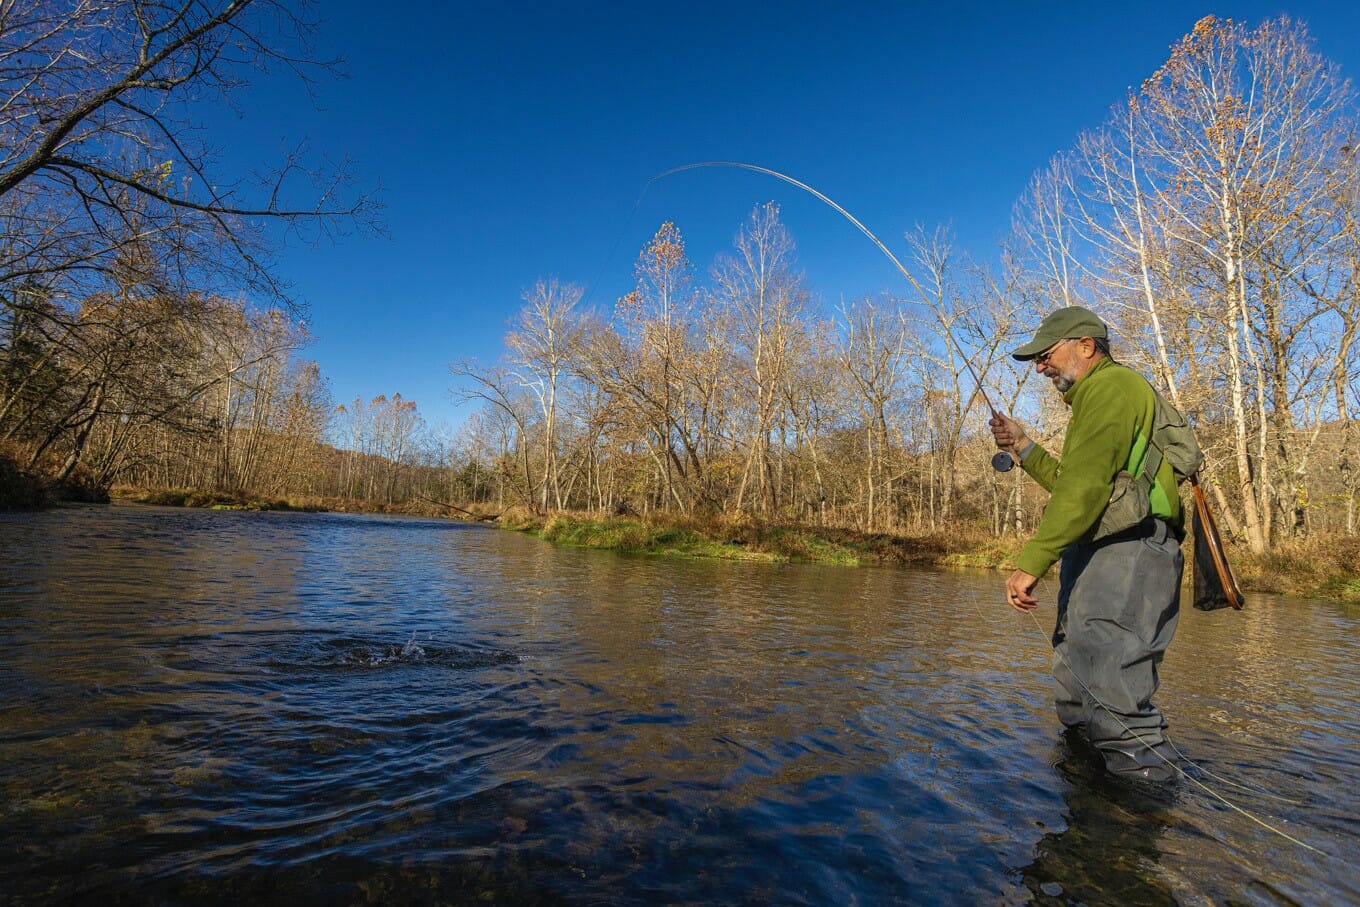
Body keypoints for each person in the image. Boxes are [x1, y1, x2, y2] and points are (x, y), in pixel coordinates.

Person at [989, 306, 1185, 782]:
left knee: (1112, 693)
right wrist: (1022, 445)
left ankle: (1141, 815)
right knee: (1076, 685)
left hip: (1131, 550)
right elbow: (1073, 482)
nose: (1039, 366)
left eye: (1045, 354)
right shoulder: (1093, 400)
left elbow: (1083, 490)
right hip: (1099, 551)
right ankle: (1088, 795)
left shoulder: (1113, 388)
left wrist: (1031, 561)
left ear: (1086, 346)